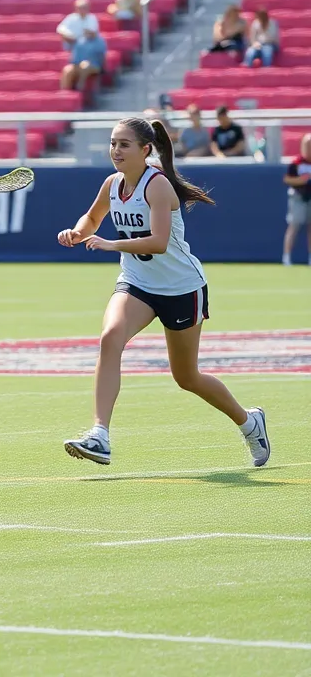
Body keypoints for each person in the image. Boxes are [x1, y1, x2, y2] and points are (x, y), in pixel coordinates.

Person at [56, 117, 269, 469]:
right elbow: (92, 219)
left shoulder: (157, 186)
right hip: (137, 284)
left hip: (181, 289)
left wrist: (111, 244)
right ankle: (100, 435)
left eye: (124, 144)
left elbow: (157, 241)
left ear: (144, 149)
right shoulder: (112, 184)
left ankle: (249, 422)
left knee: (186, 377)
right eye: (112, 143)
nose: (115, 150)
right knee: (110, 337)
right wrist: (76, 232)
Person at [283, 133, 311, 266]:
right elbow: (287, 179)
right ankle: (287, 257)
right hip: (298, 198)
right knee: (293, 226)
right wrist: (301, 180)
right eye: (307, 146)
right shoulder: (296, 163)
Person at [59, 27, 107, 92]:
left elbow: (102, 57)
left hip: (94, 66)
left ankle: (80, 88)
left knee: (85, 65)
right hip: (78, 65)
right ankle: (65, 92)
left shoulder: (100, 42)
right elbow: (74, 57)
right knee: (67, 69)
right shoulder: (80, 41)